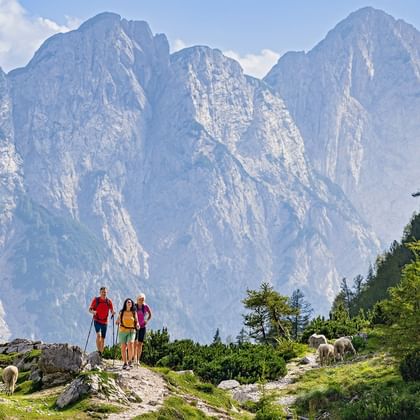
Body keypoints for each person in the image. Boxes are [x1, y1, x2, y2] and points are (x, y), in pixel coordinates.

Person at [89, 287, 115, 354]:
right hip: (97, 320)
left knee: (103, 339)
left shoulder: (109, 302)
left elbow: (112, 310)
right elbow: (90, 309)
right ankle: (99, 352)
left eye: (105, 292)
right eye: (102, 292)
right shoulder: (96, 300)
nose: (104, 293)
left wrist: (113, 312)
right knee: (99, 335)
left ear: (107, 293)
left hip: (104, 322)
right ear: (100, 293)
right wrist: (93, 312)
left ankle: (101, 352)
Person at [116, 298, 139, 369]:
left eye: (130, 302)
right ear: (125, 303)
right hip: (123, 331)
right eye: (128, 302)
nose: (129, 303)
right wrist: (117, 322)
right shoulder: (121, 312)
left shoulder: (134, 312)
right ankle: (125, 363)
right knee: (123, 347)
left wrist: (138, 324)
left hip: (131, 331)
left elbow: (137, 321)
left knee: (131, 344)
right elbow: (117, 320)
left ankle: (130, 361)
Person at [134, 293, 152, 366]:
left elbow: (150, 314)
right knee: (134, 343)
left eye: (143, 299)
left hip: (142, 327)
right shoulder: (134, 306)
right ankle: (133, 358)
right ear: (137, 299)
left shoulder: (145, 306)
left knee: (140, 344)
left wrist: (146, 320)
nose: (141, 301)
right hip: (134, 326)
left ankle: (138, 360)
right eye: (140, 299)